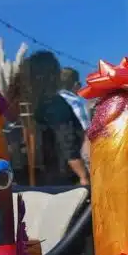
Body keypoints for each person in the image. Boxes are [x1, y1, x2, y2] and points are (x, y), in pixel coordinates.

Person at [17, 51, 89, 187]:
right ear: (52, 76)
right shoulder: (55, 104)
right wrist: (83, 176)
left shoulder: (27, 104)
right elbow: (67, 143)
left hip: (30, 180)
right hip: (60, 180)